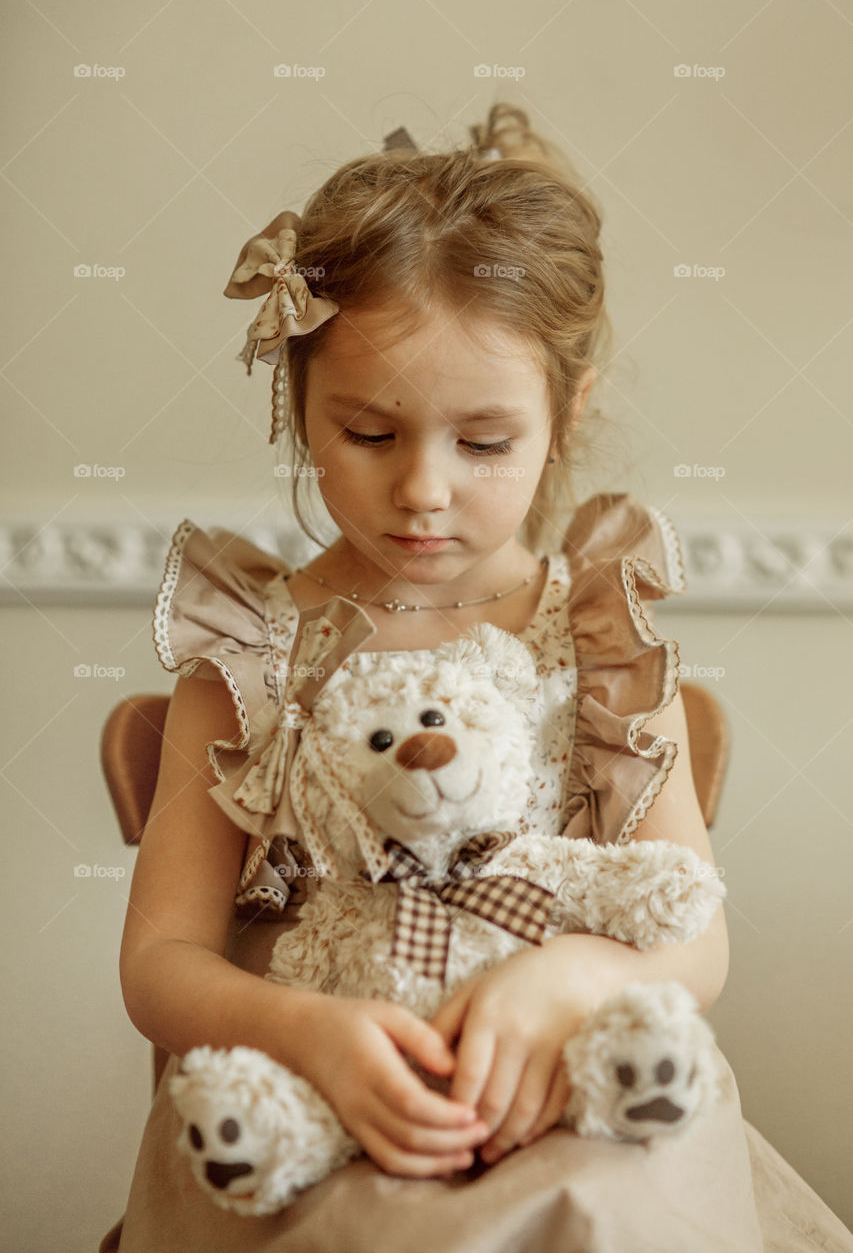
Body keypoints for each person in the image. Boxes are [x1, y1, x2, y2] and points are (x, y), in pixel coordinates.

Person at [101, 104, 853, 1252]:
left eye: (483, 441)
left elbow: (691, 932)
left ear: (567, 414)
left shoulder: (595, 633)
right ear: (299, 404)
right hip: (318, 1099)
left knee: (613, 1201)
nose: (424, 489)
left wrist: (565, 979)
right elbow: (161, 962)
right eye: (369, 432)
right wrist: (304, 1033)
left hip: (560, 1098)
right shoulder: (251, 646)